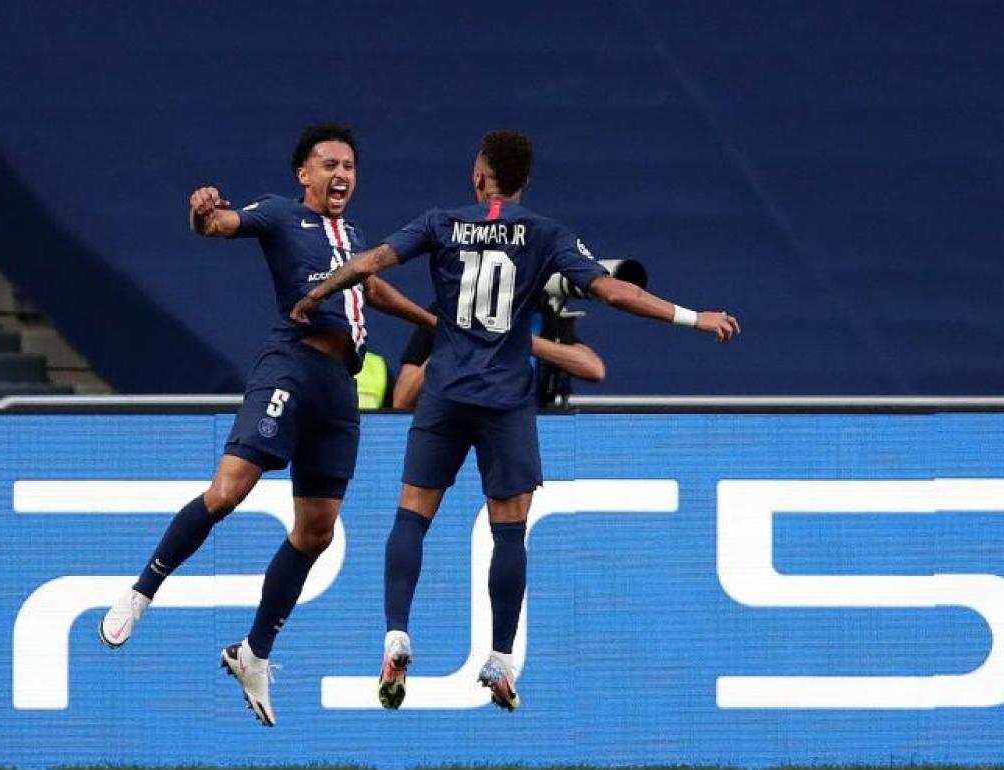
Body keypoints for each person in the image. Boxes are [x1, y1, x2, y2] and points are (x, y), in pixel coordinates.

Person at [290, 130, 739, 712]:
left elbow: (372, 261)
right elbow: (614, 293)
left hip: (445, 392)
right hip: (505, 403)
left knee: (412, 515)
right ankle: (500, 659)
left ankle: (396, 633)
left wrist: (317, 292)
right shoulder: (545, 232)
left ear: (480, 178)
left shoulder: (441, 222)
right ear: (524, 182)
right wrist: (693, 317)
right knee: (509, 530)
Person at [99, 123, 433, 727]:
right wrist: (204, 214)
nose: (341, 175)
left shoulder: (352, 235)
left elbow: (373, 287)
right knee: (228, 491)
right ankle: (143, 589)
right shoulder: (282, 215)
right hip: (293, 363)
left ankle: (252, 653)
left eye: (350, 166)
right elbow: (223, 225)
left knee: (316, 532)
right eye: (328, 165)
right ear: (304, 174)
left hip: (341, 388)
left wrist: (432, 322)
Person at [392, 298, 606, 410]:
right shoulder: (448, 310)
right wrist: (455, 341)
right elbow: (402, 399)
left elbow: (593, 368)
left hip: (525, 433)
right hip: (457, 432)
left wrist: (516, 338)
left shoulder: (542, 315)